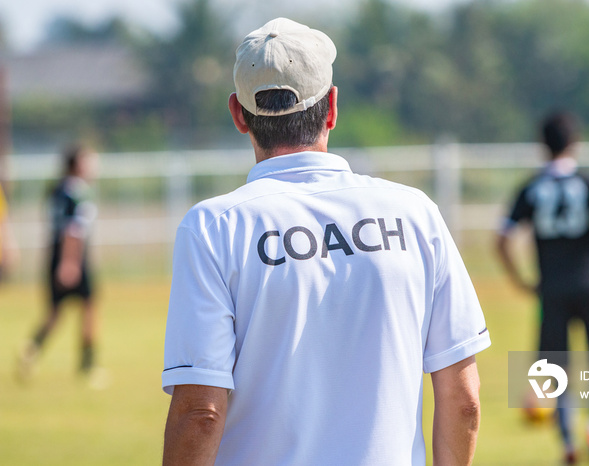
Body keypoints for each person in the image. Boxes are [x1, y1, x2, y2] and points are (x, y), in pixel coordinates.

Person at [162, 17, 490, 466]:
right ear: (332, 107)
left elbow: (201, 411)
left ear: (239, 114)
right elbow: (463, 398)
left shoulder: (214, 226)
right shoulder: (415, 213)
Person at [496, 112, 589, 465]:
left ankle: (567, 442)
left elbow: (502, 237)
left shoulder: (532, 187)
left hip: (550, 289)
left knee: (557, 369)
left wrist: (520, 281)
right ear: (575, 141)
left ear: (543, 144)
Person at [17, 143, 101, 385]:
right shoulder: (77, 193)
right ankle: (88, 366)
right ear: (77, 164)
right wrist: (70, 262)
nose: (94, 166)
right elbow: (72, 231)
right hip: (71, 255)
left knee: (56, 311)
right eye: (89, 161)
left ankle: (31, 349)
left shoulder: (56, 190)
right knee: (89, 307)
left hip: (55, 254)